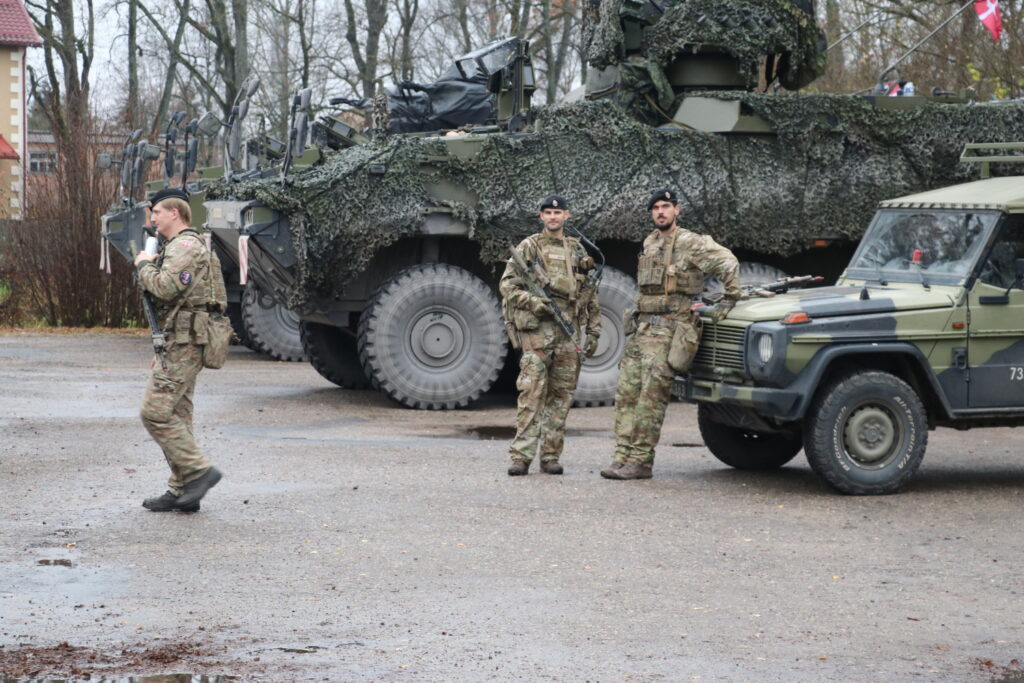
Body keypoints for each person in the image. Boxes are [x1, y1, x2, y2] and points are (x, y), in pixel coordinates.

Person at [601, 189, 740, 480]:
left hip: (669, 330)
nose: (660, 211)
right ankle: (622, 457)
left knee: (650, 399)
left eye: (666, 206)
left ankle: (641, 461)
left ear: (677, 210)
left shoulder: (689, 242)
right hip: (643, 331)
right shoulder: (650, 242)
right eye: (655, 208)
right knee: (626, 395)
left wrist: (730, 299)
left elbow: (727, 262)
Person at [133, 187, 227, 511]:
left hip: (185, 341)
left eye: (157, 212)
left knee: (155, 412)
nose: (153, 218)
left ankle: (200, 472)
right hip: (179, 339)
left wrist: (144, 266)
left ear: (175, 212)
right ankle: (184, 490)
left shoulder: (185, 246)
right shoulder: (179, 246)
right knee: (177, 415)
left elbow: (167, 288)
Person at [500, 195, 601, 476]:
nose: (553, 217)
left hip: (568, 335)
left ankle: (551, 456)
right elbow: (507, 286)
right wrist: (534, 303)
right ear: (541, 216)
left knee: (561, 398)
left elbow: (590, 295)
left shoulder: (577, 250)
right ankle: (521, 457)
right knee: (531, 394)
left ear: (566, 215)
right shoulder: (529, 247)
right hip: (538, 335)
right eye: (548, 213)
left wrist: (594, 331)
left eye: (557, 213)